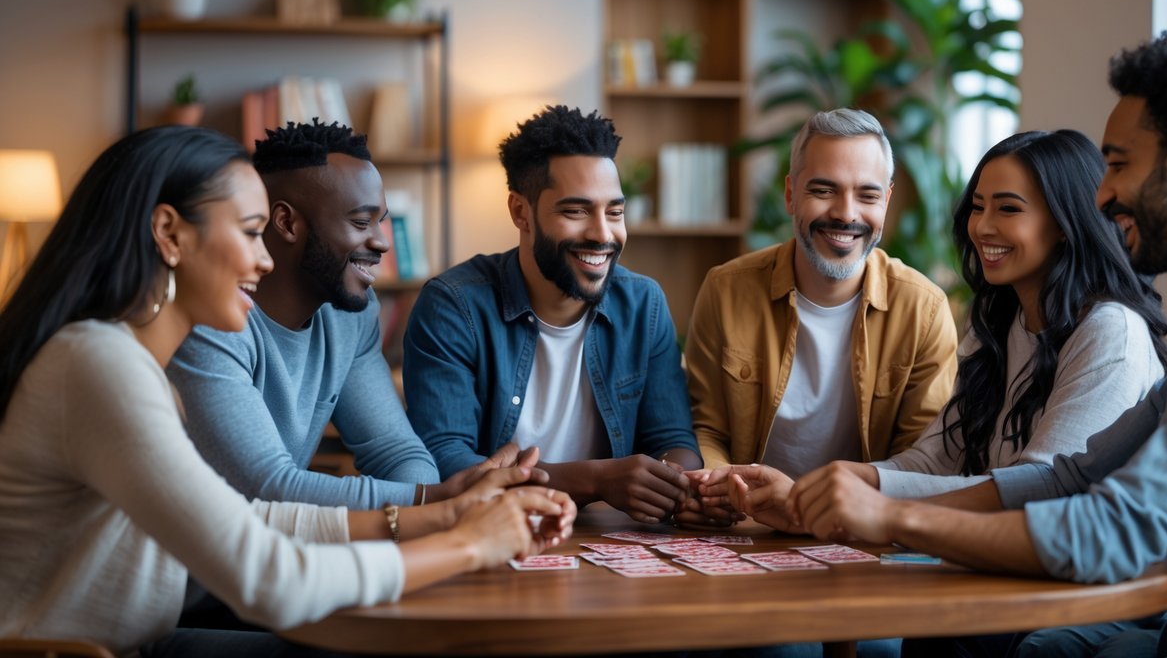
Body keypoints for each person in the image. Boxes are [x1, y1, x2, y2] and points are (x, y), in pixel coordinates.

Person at [786, 28, 1167, 656]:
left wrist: (891, 518)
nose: (1102, 194)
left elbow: (1117, 527)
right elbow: (1069, 476)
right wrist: (848, 499)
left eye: (1120, 164)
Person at [0, 126, 575, 656]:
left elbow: (251, 518)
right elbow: (268, 575)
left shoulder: (121, 359)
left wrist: (446, 510)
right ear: (170, 234)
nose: (262, 258)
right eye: (250, 234)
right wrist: (468, 542)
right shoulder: (102, 365)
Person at [702, 130, 1167, 530]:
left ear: (1066, 224)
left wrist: (855, 505)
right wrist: (826, 491)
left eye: (1008, 209)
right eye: (979, 207)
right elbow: (934, 459)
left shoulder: (1110, 331)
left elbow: (1042, 488)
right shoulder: (998, 324)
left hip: (1074, 594)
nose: (982, 227)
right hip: (1002, 572)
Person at [169, 120, 526, 512]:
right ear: (286, 222)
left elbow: (398, 453)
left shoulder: (350, 317)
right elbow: (266, 485)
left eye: (381, 221)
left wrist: (428, 502)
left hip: (280, 557)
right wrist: (434, 498)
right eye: (361, 222)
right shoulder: (211, 323)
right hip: (200, 568)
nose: (381, 242)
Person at [403, 105, 703, 525]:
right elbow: (447, 462)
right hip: (489, 536)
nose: (603, 234)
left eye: (614, 212)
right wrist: (595, 479)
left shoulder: (643, 304)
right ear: (520, 212)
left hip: (607, 542)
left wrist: (677, 481)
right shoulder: (454, 305)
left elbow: (672, 438)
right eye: (575, 212)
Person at [686, 108, 958, 487]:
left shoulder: (923, 310)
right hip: (744, 517)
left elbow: (923, 457)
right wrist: (723, 484)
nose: (846, 214)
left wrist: (817, 500)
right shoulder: (726, 290)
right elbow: (706, 425)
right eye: (823, 190)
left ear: (887, 201)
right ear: (790, 195)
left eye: (867, 195)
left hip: (865, 526)